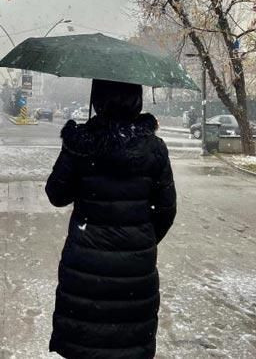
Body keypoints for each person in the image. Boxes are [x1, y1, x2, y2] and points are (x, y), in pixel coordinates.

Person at [45, 79, 177, 359]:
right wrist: (140, 241)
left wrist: (78, 147)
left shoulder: (82, 144)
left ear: (98, 100)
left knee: (85, 344)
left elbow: (57, 194)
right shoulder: (154, 148)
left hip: (85, 269)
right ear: (137, 100)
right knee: (128, 346)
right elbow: (166, 210)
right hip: (134, 273)